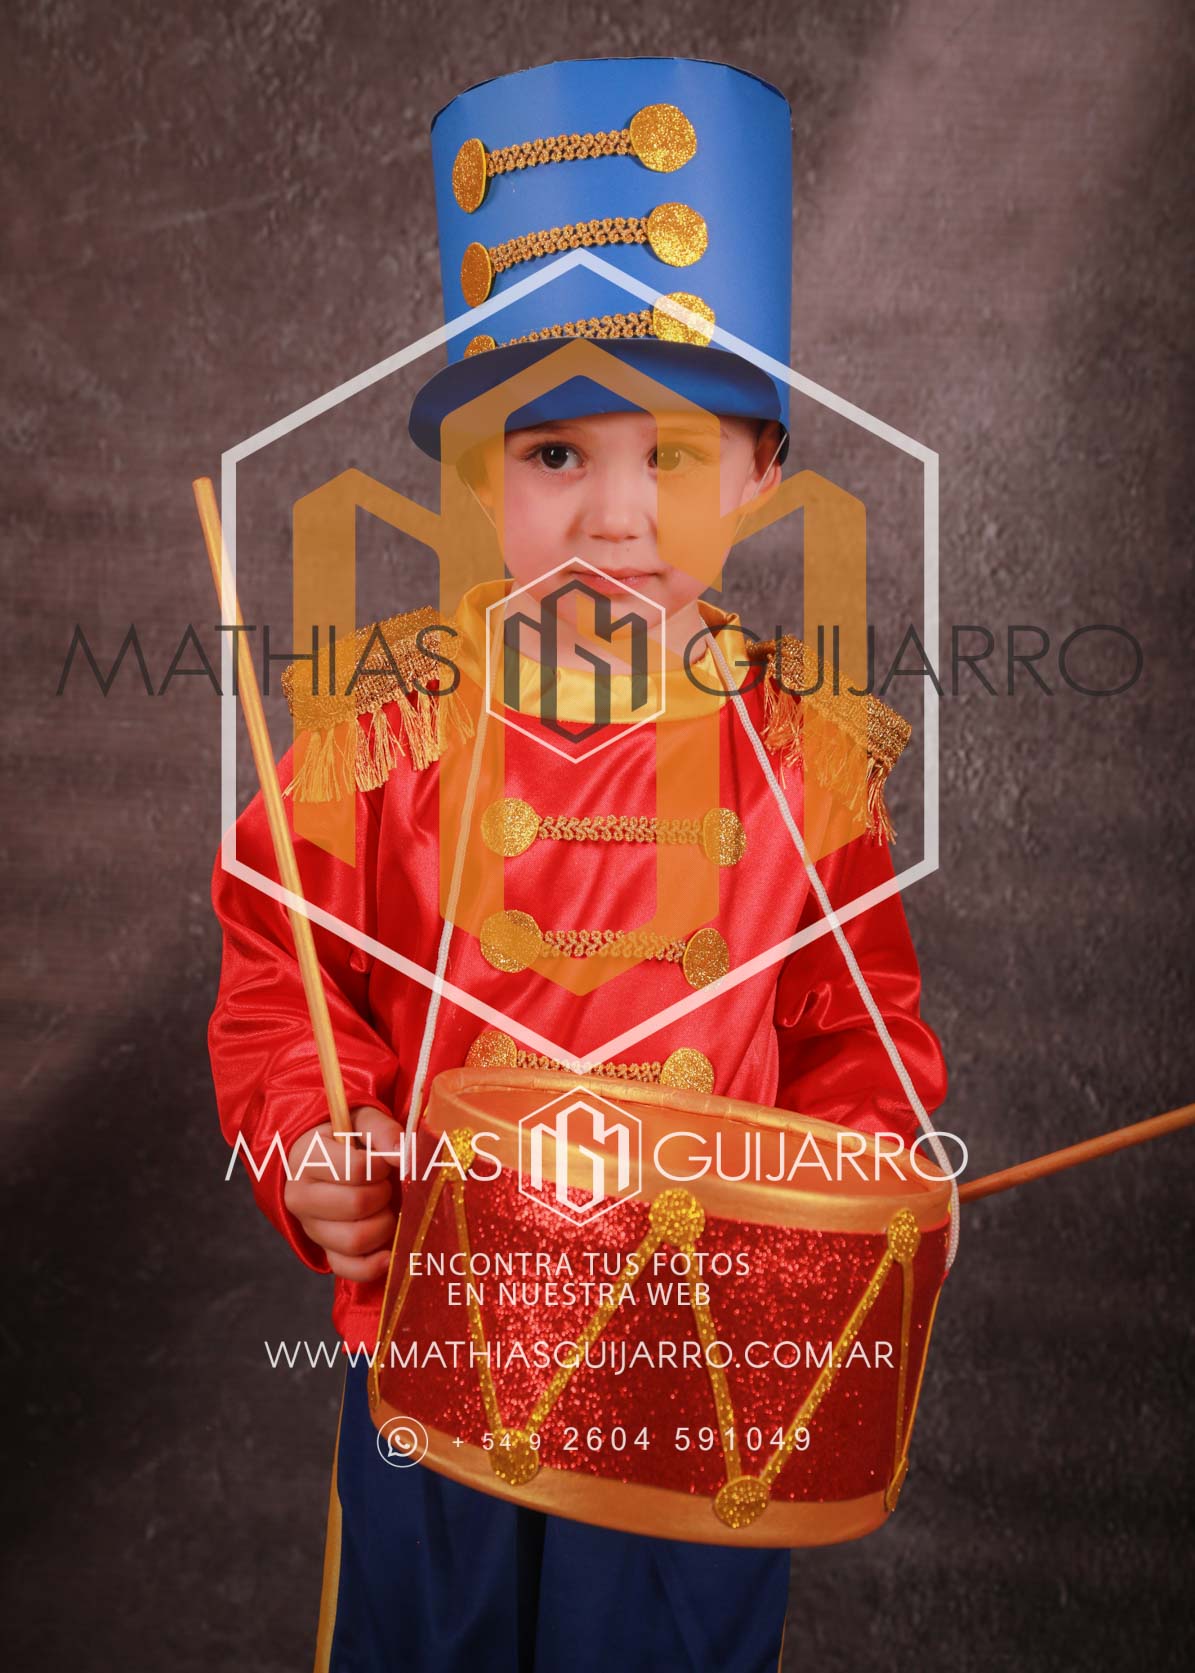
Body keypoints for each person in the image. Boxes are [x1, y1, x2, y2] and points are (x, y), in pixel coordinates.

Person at [207, 56, 948, 1673]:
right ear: (482, 476)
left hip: (699, 1394)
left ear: (764, 474)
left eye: (668, 453)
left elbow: (858, 1049)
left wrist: (850, 1208)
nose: (616, 518)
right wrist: (313, 1144)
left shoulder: (810, 772)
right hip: (438, 1364)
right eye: (555, 454)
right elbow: (282, 991)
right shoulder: (376, 748)